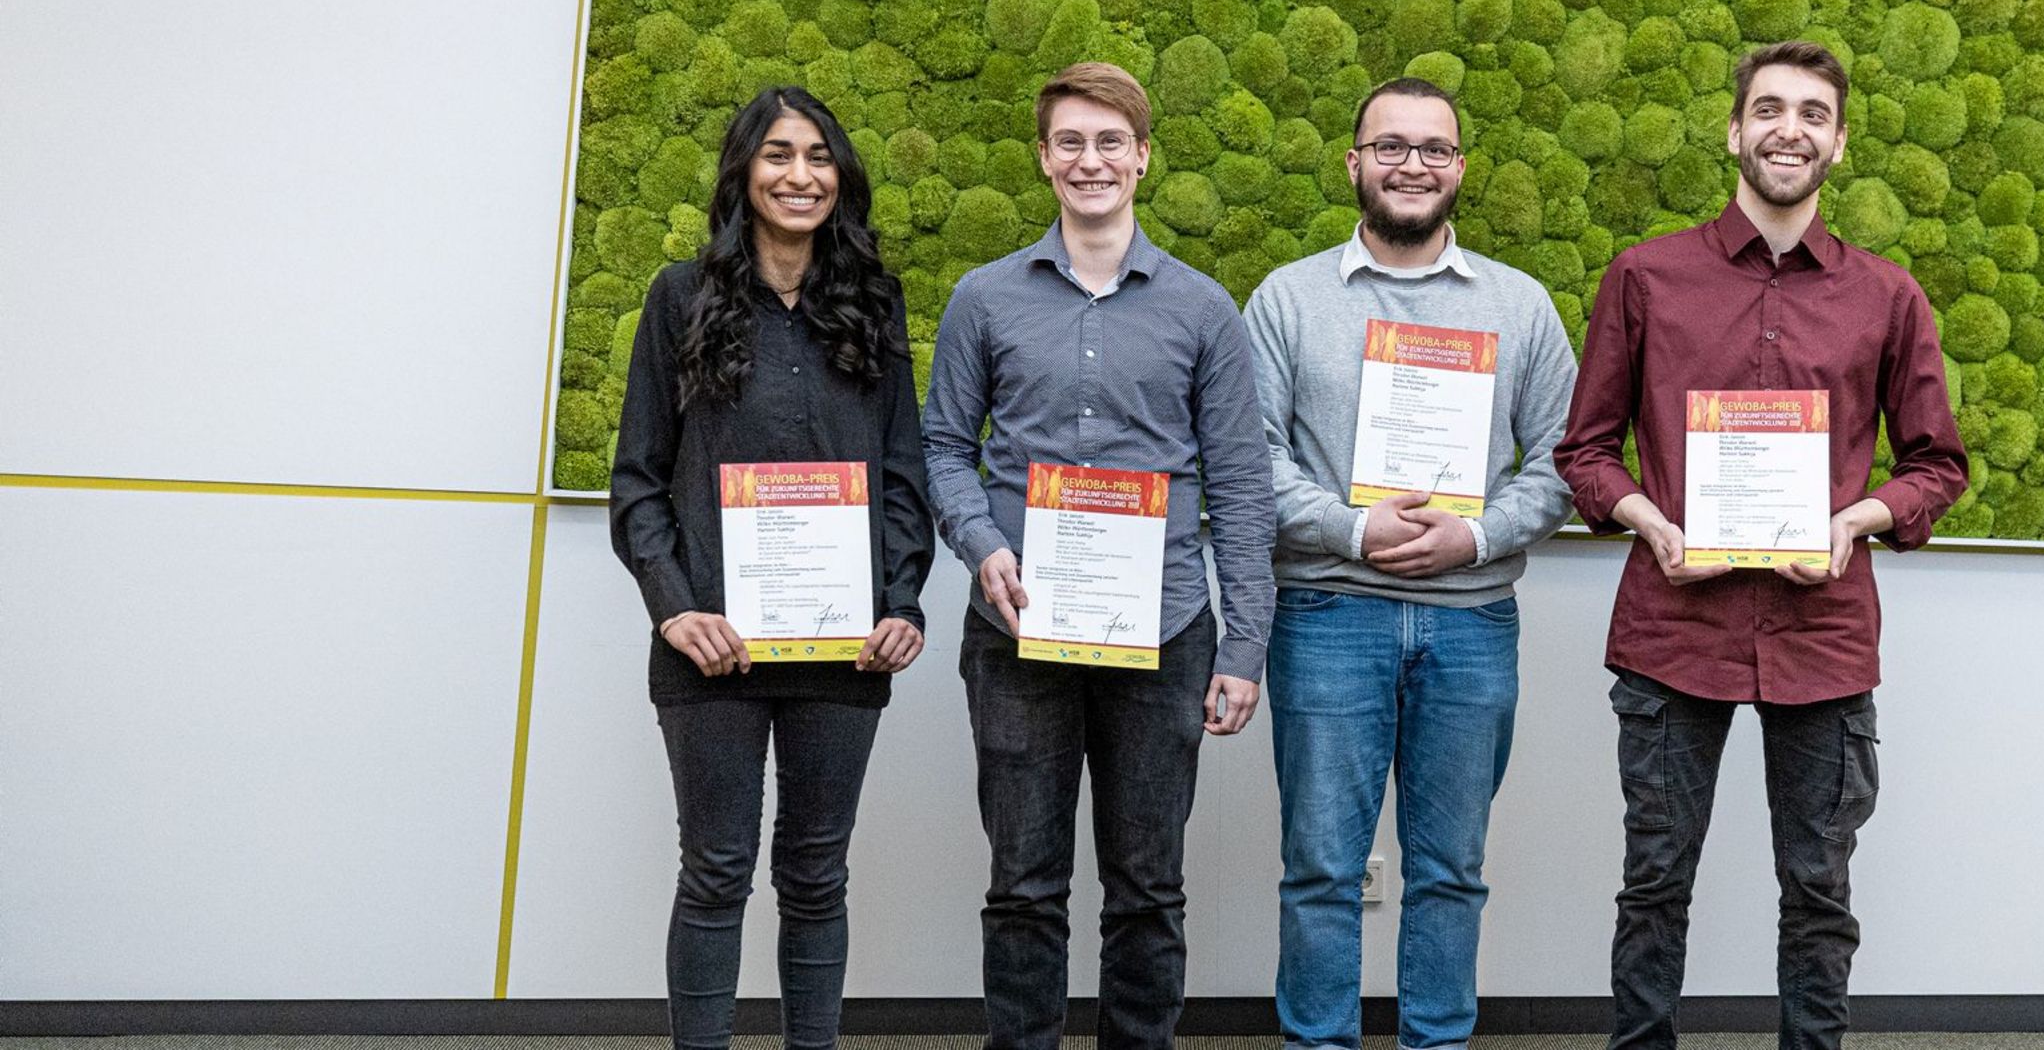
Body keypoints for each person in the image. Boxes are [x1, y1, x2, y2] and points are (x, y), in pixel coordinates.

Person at [1553, 41, 1970, 1050]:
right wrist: (1646, 518)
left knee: (1818, 887)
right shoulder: (1645, 275)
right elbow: (1583, 449)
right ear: (1734, 130)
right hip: (1672, 627)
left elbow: (1935, 464)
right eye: (1771, 108)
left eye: (1814, 113)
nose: (1791, 127)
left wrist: (1853, 520)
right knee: (1655, 881)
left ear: (1838, 143)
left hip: (1821, 630)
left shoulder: (1888, 295)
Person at [920, 61, 1276, 1050]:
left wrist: (1243, 645)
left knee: (1148, 887)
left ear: (1143, 158)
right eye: (1071, 141)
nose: (1091, 160)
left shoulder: (1204, 310)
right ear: (1043, 159)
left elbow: (1241, 482)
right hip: (1016, 630)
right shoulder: (982, 299)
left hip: (1162, 632)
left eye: (1110, 141)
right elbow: (943, 446)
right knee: (1023, 884)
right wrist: (982, 545)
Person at [1243, 76, 1578, 1050]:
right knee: (1318, 867)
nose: (1411, 164)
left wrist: (1474, 535)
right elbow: (1249, 458)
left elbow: (1565, 457)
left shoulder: (1518, 305)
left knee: (1450, 868)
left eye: (1432, 148)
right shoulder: (1288, 298)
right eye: (1389, 146)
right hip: (1326, 614)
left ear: (1460, 168)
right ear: (1353, 164)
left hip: (1471, 623)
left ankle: (1438, 1041)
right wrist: (1355, 528)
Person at [608, 86, 934, 1050]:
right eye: (779, 156)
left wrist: (903, 601)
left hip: (845, 650)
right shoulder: (680, 298)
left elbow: (903, 470)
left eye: (820, 157)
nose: (802, 175)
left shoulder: (874, 302)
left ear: (842, 176)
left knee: (817, 873)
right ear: (744, 173)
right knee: (714, 870)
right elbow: (636, 483)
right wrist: (674, 611)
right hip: (713, 650)